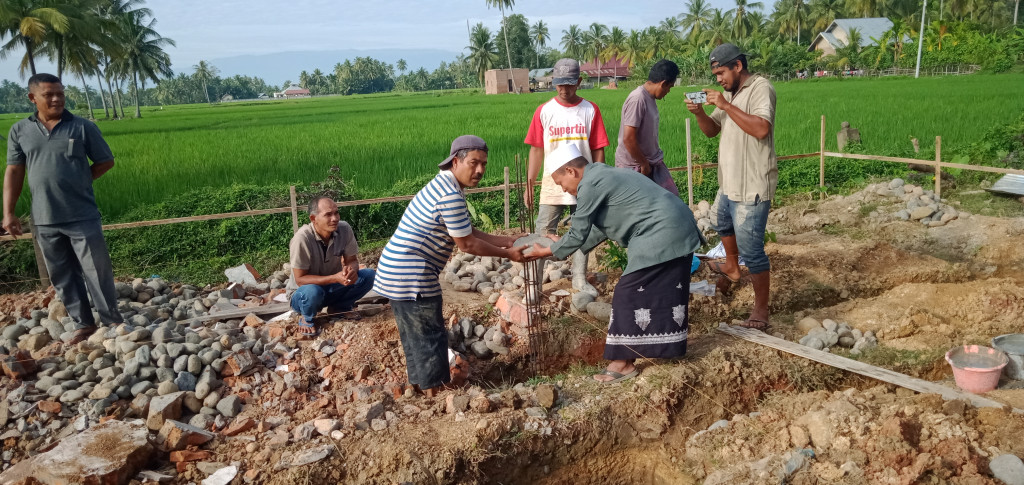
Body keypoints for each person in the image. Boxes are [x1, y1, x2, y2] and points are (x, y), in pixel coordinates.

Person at [373, 135, 536, 396]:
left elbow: (466, 229)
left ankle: (421, 388)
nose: (480, 170)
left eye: (483, 164)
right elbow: (467, 244)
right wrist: (510, 254)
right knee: (430, 334)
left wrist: (506, 240)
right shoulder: (450, 194)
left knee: (416, 336)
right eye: (474, 163)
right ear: (456, 161)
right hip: (412, 275)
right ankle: (436, 393)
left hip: (396, 271)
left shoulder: (444, 185)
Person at [528, 145, 704, 383]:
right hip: (676, 225)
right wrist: (561, 244)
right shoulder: (603, 174)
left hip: (661, 231)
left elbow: (579, 231)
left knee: (628, 292)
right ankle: (665, 348)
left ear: (571, 171)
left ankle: (622, 364)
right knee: (665, 290)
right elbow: (597, 229)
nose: (565, 190)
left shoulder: (589, 184)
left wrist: (547, 251)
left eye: (561, 184)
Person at [3, 73, 123, 345]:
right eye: (49, 95)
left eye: (60, 93)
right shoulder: (20, 131)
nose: (57, 99)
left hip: (82, 214)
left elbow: (105, 161)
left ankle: (112, 320)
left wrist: (81, 180)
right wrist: (8, 213)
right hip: (44, 218)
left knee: (96, 269)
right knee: (61, 273)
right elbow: (14, 171)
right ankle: (83, 324)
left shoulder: (82, 127)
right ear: (33, 98)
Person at [685, 43, 777, 331]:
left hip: (752, 184)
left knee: (753, 250)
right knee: (721, 221)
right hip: (729, 181)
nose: (719, 80)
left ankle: (761, 310)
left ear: (738, 66)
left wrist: (725, 105)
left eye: (722, 73)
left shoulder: (761, 88)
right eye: (715, 75)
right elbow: (712, 131)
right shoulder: (728, 94)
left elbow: (762, 128)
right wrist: (700, 112)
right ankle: (732, 268)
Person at [523, 58, 609, 296]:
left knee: (584, 230)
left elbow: (598, 148)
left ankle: (579, 278)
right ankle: (535, 284)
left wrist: (599, 182)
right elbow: (537, 149)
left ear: (579, 82)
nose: (563, 89)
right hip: (552, 185)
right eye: (559, 84)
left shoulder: (590, 110)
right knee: (542, 232)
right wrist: (530, 184)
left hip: (585, 185)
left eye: (569, 84)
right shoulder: (545, 111)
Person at [287, 196, 375, 337]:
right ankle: (307, 316)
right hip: (303, 294)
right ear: (313, 218)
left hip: (332, 288)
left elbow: (352, 260)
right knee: (312, 292)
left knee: (369, 275)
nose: (334, 218)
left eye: (336, 213)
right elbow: (300, 280)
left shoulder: (344, 229)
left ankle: (339, 307)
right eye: (328, 214)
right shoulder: (302, 238)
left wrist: (351, 270)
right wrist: (334, 278)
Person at [614, 59, 681, 195]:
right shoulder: (638, 99)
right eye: (669, 87)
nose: (668, 92)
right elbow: (628, 138)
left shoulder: (650, 98)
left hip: (650, 163)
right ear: (663, 84)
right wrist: (643, 164)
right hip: (634, 166)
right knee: (639, 208)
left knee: (669, 199)